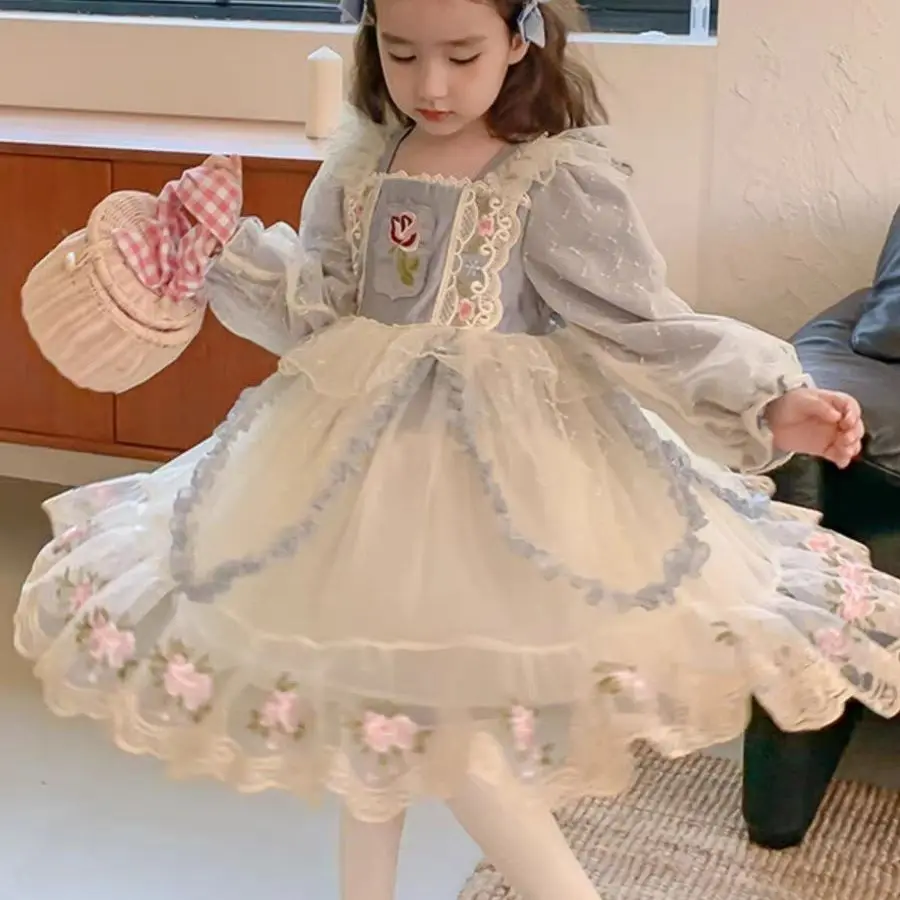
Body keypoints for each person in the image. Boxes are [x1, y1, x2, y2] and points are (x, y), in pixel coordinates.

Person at [13, 1, 900, 898]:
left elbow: (641, 324)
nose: (429, 85)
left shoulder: (552, 178)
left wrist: (769, 398)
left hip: (493, 487)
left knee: (448, 736)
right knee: (371, 708)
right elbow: (318, 313)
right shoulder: (363, 161)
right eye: (401, 54)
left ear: (519, 39)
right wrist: (222, 254)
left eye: (461, 55)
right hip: (350, 469)